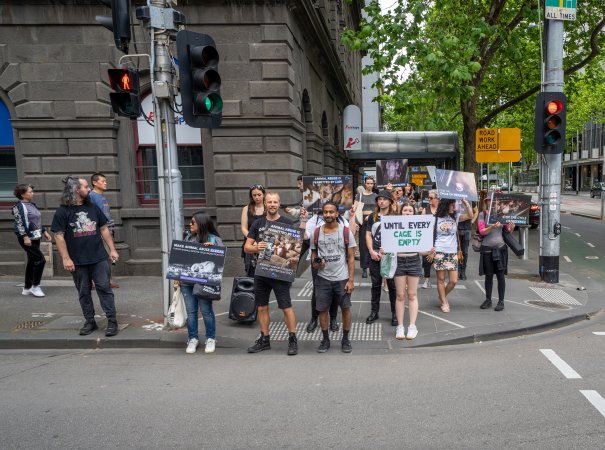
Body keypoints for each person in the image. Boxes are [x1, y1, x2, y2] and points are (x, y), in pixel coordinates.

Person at [51, 176, 120, 336]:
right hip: (77, 260)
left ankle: (112, 321)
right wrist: (66, 258)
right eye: (85, 187)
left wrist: (112, 249)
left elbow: (103, 229)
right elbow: (59, 236)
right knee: (83, 291)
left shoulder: (93, 207)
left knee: (104, 288)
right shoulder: (63, 211)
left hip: (98, 257)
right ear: (76, 190)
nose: (89, 189)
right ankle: (90, 321)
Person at [244, 192, 299, 355]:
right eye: (270, 202)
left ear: (279, 203)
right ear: (265, 204)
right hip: (261, 271)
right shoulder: (257, 223)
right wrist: (256, 248)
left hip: (280, 271)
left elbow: (295, 246)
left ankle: (293, 339)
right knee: (262, 307)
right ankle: (264, 339)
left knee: (286, 306)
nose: (272, 204)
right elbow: (247, 247)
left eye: (275, 202)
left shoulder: (287, 222)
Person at [310, 202, 356, 353]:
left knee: (345, 309)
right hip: (323, 278)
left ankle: (345, 339)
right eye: (326, 212)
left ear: (337, 214)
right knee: (322, 310)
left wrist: (350, 280)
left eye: (331, 212)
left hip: (342, 278)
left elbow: (350, 257)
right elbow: (313, 255)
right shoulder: (316, 233)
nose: (328, 215)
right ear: (322, 214)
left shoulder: (346, 232)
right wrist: (316, 263)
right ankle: (325, 339)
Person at [179, 211, 221, 354]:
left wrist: (213, 250)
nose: (190, 225)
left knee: (206, 311)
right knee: (191, 313)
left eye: (193, 222)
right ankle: (193, 338)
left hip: (205, 282)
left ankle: (210, 338)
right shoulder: (188, 238)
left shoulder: (214, 239)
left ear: (201, 224)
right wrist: (176, 279)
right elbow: (180, 260)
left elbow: (220, 262)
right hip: (186, 281)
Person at [426, 198, 474, 313]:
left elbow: (470, 216)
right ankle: (444, 302)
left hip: (452, 252)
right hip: (439, 251)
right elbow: (429, 236)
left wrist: (466, 204)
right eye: (452, 205)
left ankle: (442, 295)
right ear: (446, 205)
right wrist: (431, 250)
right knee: (441, 279)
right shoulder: (435, 219)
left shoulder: (455, 217)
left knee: (453, 281)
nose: (455, 207)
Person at [12, 183, 52, 297]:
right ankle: (35, 286)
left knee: (32, 261)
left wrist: (44, 231)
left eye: (32, 191)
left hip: (36, 236)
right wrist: (25, 237)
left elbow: (37, 220)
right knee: (41, 260)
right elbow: (19, 224)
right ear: (22, 194)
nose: (32, 193)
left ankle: (27, 287)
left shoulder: (32, 205)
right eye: (30, 192)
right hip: (27, 238)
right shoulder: (18, 207)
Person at [304, 210, 341, 333]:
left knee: (335, 292)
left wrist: (351, 217)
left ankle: (333, 319)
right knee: (317, 291)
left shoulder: (342, 221)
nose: (328, 214)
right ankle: (314, 318)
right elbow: (304, 236)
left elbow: (351, 233)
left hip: (336, 263)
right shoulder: (313, 220)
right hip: (318, 263)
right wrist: (303, 220)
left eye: (331, 211)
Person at [477, 191, 515, 311]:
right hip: (487, 249)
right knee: (488, 276)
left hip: (500, 249)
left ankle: (501, 301)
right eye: (489, 200)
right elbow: (482, 231)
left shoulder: (502, 214)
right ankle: (488, 299)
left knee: (500, 276)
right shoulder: (482, 214)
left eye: (494, 201)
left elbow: (507, 231)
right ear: (487, 202)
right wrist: (492, 226)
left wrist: (511, 228)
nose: (492, 202)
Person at [365, 190, 397, 325]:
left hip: (390, 256)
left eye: (384, 199)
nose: (381, 201)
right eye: (379, 199)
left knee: (392, 285)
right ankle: (374, 312)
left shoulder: (396, 216)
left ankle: (395, 313)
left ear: (390, 201)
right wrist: (372, 251)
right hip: (375, 255)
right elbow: (368, 235)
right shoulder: (373, 217)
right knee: (375, 284)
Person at [393, 201, 424, 340]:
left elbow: (422, 251)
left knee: (412, 295)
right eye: (405, 210)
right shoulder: (394, 226)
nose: (407, 212)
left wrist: (429, 250)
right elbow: (388, 244)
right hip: (398, 261)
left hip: (413, 261)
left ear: (414, 213)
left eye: (410, 210)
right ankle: (400, 326)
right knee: (400, 295)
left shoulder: (420, 227)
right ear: (401, 212)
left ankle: (412, 326)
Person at [89, 173, 119, 288]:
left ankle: (107, 280)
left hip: (108, 230)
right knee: (99, 256)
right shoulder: (92, 196)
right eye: (103, 181)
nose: (105, 183)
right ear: (94, 183)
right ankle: (93, 281)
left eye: (106, 181)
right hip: (98, 231)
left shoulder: (102, 196)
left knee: (109, 255)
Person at [350, 176, 377, 278]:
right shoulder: (359, 195)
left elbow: (378, 209)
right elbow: (355, 207)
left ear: (373, 184)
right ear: (365, 184)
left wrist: (371, 216)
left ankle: (372, 267)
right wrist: (353, 215)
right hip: (362, 222)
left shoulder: (376, 196)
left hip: (373, 221)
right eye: (368, 183)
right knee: (363, 246)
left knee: (373, 244)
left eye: (371, 183)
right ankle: (364, 268)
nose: (370, 185)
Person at [240, 184, 265, 276]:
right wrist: (253, 240)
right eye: (254, 195)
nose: (257, 197)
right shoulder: (246, 209)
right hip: (250, 243)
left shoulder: (268, 207)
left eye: (259, 194)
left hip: (265, 243)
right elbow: (243, 228)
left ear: (263, 194)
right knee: (251, 270)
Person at [419, 190, 439, 289]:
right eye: (428, 198)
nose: (429, 200)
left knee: (438, 259)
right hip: (428, 238)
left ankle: (441, 280)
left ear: (437, 199)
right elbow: (421, 225)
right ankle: (426, 280)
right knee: (427, 259)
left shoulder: (441, 210)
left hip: (439, 238)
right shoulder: (425, 210)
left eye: (431, 198)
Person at [457, 198, 478, 280]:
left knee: (465, 251)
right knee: (456, 250)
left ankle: (462, 271)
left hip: (466, 228)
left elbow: (476, 211)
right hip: (456, 228)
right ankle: (457, 270)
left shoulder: (470, 199)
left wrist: (472, 221)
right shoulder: (454, 198)